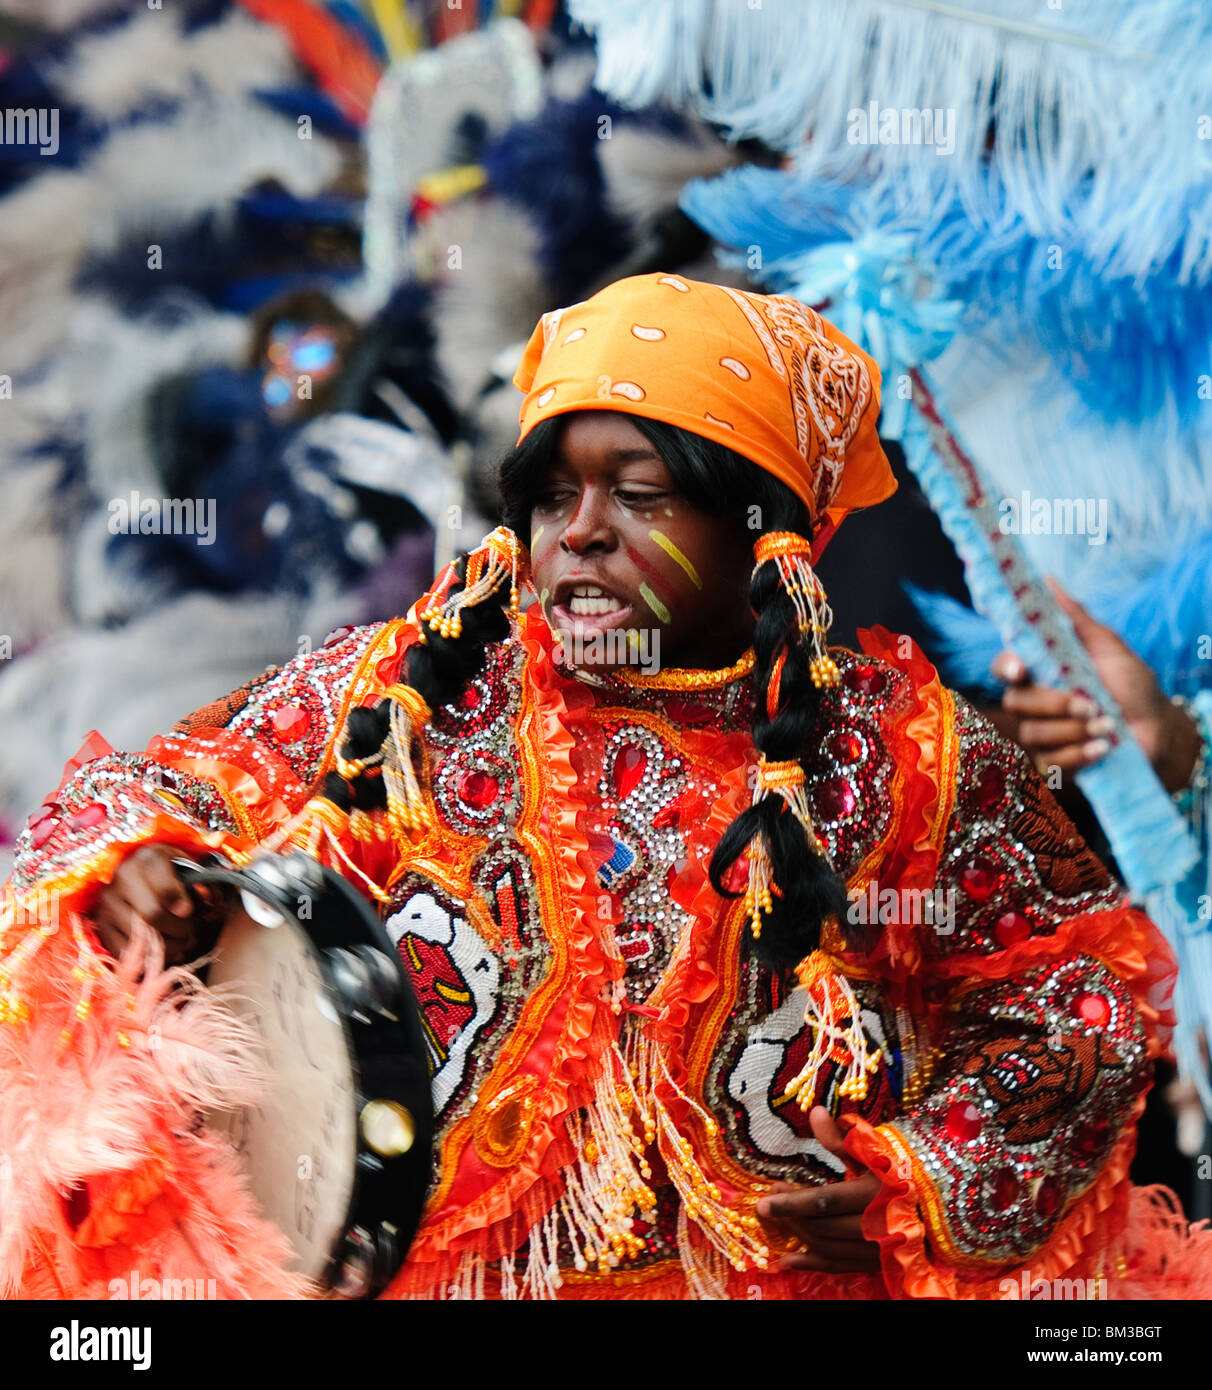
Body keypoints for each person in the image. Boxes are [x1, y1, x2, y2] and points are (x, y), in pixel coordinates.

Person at [1, 273, 1207, 1300]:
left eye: (638, 493)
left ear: (764, 537)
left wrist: (931, 1175)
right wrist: (138, 881)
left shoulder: (907, 755)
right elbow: (138, 801)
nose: (578, 532)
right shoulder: (401, 692)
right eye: (551, 496)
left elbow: (1074, 984)